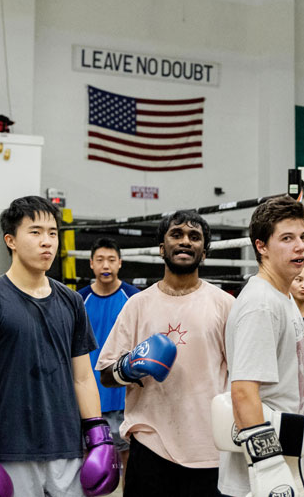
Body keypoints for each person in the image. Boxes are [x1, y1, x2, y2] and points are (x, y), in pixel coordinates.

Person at [0, 196, 118, 497]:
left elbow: (83, 377)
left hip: (67, 447)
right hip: (10, 449)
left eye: (52, 233)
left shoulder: (71, 302)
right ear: (11, 240)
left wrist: (99, 438)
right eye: (35, 232)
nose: (47, 242)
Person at [96, 210, 234, 497]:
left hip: (209, 447)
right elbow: (106, 373)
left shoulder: (225, 305)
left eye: (194, 237)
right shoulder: (137, 305)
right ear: (162, 248)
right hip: (151, 444)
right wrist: (129, 367)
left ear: (204, 252)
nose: (185, 241)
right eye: (176, 235)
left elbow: (241, 376)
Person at [217, 195, 304, 497]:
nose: (299, 246)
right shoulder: (261, 305)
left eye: (303, 237)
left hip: (287, 451)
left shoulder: (282, 296)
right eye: (287, 238)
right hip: (258, 472)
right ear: (261, 246)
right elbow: (243, 391)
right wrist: (268, 465)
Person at [78, 237, 140, 483]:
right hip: (87, 397)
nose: (106, 266)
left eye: (111, 260)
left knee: (130, 461)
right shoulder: (78, 300)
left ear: (120, 263)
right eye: (100, 260)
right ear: (91, 264)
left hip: (123, 398)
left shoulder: (134, 299)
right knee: (88, 462)